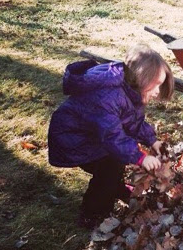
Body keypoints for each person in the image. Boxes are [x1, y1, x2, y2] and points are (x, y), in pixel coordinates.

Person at [48, 43, 174, 228]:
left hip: (92, 134)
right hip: (74, 139)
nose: (157, 91)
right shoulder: (108, 97)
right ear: (141, 78)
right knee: (109, 166)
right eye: (155, 85)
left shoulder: (129, 91)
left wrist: (152, 140)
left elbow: (133, 122)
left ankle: (115, 188)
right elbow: (112, 136)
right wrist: (140, 157)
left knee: (114, 162)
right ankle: (93, 213)